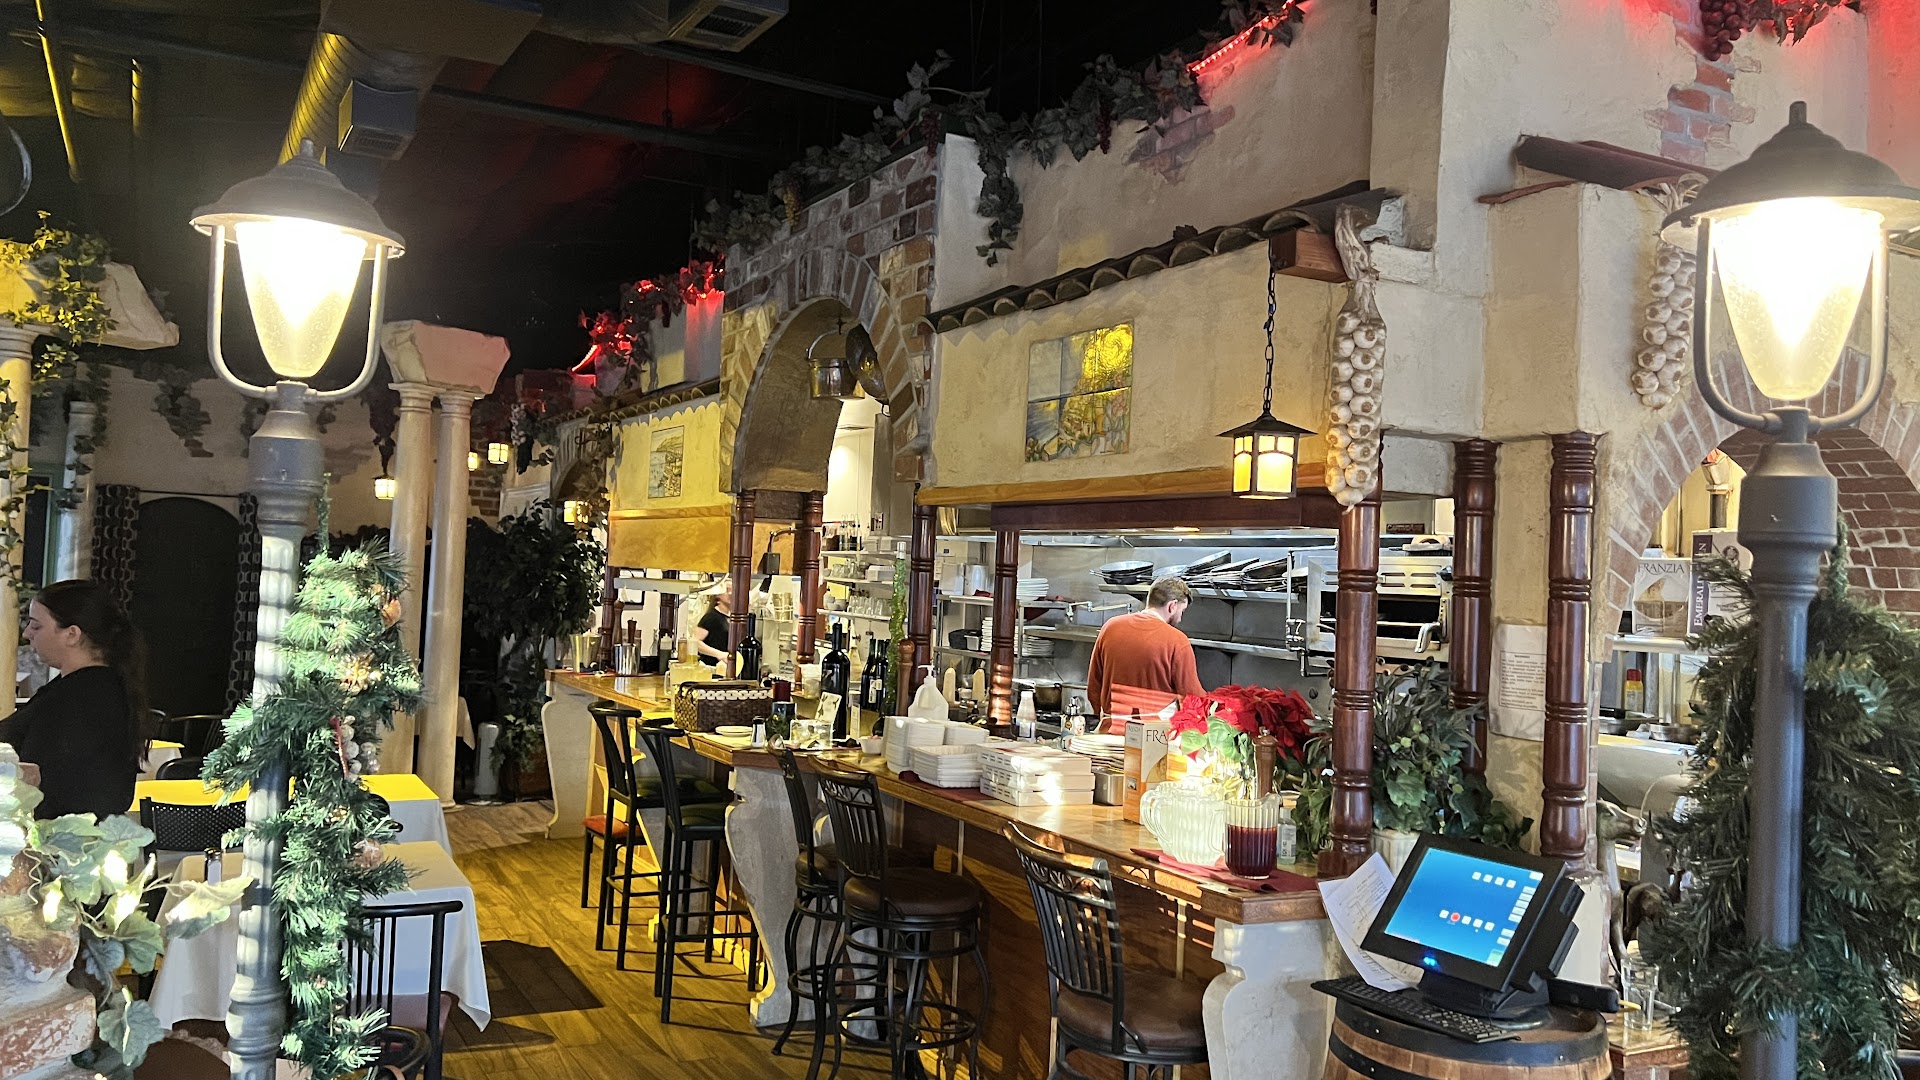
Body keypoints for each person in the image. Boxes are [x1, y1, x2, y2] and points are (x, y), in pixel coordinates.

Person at [0, 580, 146, 819]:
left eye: (36, 626)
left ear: (72, 634)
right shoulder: (94, 686)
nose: (26, 634)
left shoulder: (80, 697)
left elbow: (52, 784)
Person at [1086, 575, 1204, 734]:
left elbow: (1093, 687)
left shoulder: (1110, 627)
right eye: (1182, 611)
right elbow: (1192, 699)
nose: (1180, 618)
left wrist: (1105, 717)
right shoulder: (1177, 641)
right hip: (1154, 738)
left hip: (1110, 733)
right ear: (1172, 606)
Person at [692, 577, 734, 667]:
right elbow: (695, 642)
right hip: (710, 668)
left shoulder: (731, 618)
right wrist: (719, 654)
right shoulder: (711, 617)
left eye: (733, 590)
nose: (731, 593)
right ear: (718, 595)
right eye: (727, 590)